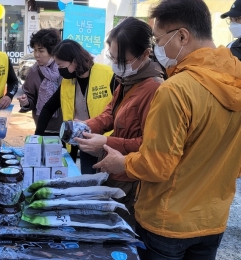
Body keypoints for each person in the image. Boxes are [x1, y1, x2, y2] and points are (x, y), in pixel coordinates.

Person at [94, 0, 241, 259]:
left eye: (159, 39)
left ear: (182, 36)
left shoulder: (175, 89)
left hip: (167, 222)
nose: (157, 48)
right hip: (213, 218)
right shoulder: (237, 77)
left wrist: (123, 163)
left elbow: (157, 165)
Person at [75, 17, 164, 229]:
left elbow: (150, 143)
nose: (116, 65)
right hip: (114, 170)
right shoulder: (127, 81)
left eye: (121, 60)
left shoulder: (154, 89)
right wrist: (84, 126)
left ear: (145, 54)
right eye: (112, 58)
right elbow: (110, 114)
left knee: (122, 227)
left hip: (132, 178)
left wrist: (106, 142)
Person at [34, 39, 113, 174]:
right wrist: (37, 138)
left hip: (107, 142)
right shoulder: (67, 82)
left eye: (61, 65)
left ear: (75, 61)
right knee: (88, 181)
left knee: (108, 183)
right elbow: (48, 108)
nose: (59, 70)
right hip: (84, 144)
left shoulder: (107, 74)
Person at [17, 28, 63, 136]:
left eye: (41, 51)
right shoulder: (34, 71)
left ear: (52, 51)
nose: (36, 55)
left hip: (64, 126)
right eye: (35, 50)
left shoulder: (64, 69)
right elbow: (30, 96)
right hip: (43, 126)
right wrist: (26, 102)